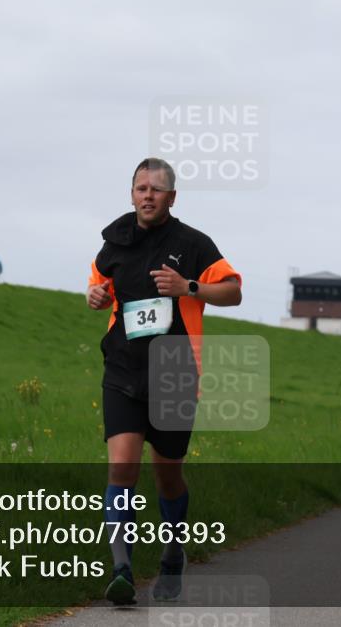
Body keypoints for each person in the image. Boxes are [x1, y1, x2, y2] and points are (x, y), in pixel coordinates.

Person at [87, 157, 242, 604]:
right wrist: (95, 296)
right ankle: (121, 570)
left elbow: (232, 291)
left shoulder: (193, 243)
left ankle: (173, 555)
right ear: (131, 193)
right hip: (122, 368)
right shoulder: (113, 241)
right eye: (141, 188)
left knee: (167, 474)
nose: (148, 195)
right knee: (122, 469)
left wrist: (188, 287)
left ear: (172, 197)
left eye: (156, 189)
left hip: (175, 370)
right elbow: (99, 288)